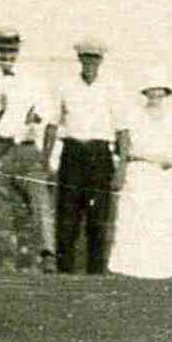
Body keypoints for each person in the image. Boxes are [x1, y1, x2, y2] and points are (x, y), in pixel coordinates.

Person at [0, 27, 54, 272]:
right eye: (2, 50)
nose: (7, 55)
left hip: (26, 149)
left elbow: (46, 115)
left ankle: (47, 255)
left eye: (11, 50)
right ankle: (6, 259)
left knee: (39, 202)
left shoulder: (33, 80)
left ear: (18, 51)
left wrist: (35, 125)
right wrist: (4, 111)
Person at [108, 73, 172, 279]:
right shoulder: (133, 114)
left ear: (165, 93)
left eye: (160, 90)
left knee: (163, 220)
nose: (155, 94)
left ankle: (163, 269)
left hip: (165, 173)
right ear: (145, 92)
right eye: (151, 89)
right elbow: (123, 145)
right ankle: (131, 267)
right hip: (140, 170)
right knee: (136, 218)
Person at [54, 37, 121, 273]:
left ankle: (95, 270)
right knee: (68, 214)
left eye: (94, 59)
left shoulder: (112, 87)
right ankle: (64, 269)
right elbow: (54, 123)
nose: (90, 63)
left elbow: (123, 130)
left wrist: (120, 170)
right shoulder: (66, 86)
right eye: (86, 58)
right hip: (73, 152)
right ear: (79, 59)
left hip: (99, 154)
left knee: (98, 216)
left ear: (101, 61)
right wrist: (47, 159)